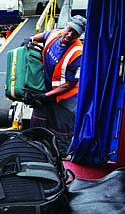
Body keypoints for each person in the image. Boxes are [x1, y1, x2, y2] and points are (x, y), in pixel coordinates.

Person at [22, 15, 87, 157]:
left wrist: (44, 96)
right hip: (46, 92)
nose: (69, 35)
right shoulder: (55, 34)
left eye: (75, 33)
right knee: (37, 127)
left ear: (79, 36)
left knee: (59, 135)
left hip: (64, 100)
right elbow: (44, 35)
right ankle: (35, 157)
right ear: (66, 26)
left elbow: (69, 85)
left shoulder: (78, 54)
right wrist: (31, 39)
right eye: (69, 30)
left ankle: (58, 164)